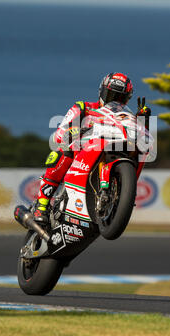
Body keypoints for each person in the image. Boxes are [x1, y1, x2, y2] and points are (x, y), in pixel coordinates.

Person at [33, 72, 150, 224]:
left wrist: (142, 121)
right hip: (82, 152)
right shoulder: (84, 107)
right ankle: (41, 204)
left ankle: (122, 194)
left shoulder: (126, 118)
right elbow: (59, 134)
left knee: (140, 150)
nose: (115, 101)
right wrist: (72, 130)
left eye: (120, 98)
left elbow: (141, 140)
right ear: (102, 92)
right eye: (111, 96)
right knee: (63, 151)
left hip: (111, 149)